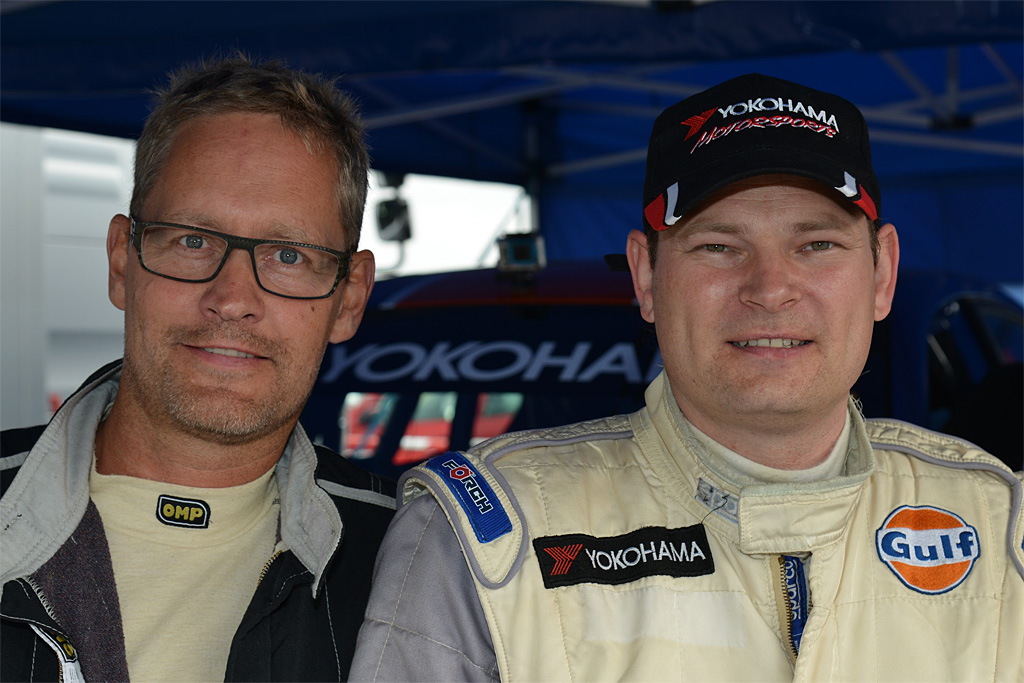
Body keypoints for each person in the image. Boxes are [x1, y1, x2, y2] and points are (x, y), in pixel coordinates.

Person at [350, 73, 1024, 681]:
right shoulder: (487, 543)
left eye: (817, 244)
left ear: (882, 273)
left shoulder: (1002, 529)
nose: (770, 288)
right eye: (718, 246)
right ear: (646, 276)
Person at [0, 55, 396, 681]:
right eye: (193, 240)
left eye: (289, 255)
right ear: (122, 262)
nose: (233, 298)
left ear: (349, 299)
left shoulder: (416, 559)